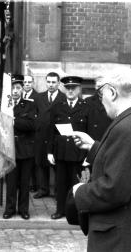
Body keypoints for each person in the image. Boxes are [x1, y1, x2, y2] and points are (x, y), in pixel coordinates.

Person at [71, 67, 131, 251]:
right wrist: (94, 147)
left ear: (112, 92)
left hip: (118, 239)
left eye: (101, 95)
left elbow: (114, 190)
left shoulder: (125, 128)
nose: (101, 101)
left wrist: (79, 192)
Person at [48, 76, 89, 220]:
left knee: (76, 184)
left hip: (78, 153)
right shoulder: (57, 106)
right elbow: (51, 130)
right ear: (64, 89)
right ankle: (60, 210)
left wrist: (88, 155)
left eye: (74, 88)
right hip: (61, 152)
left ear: (79, 89)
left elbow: (89, 131)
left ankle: (75, 212)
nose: (70, 91)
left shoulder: (85, 106)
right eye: (68, 88)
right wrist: (49, 152)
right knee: (60, 183)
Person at [3, 76, 36, 220]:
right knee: (11, 182)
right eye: (12, 88)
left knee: (24, 182)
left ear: (23, 89)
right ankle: (9, 209)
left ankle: (23, 209)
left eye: (18, 88)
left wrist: (13, 121)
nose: (15, 91)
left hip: (25, 149)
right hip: (9, 149)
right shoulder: (4, 106)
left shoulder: (29, 105)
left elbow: (31, 125)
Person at [33, 72, 65, 199]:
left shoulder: (63, 98)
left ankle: (58, 191)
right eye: (49, 82)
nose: (51, 85)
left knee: (57, 166)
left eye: (53, 82)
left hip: (56, 137)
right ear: (46, 82)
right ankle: (43, 189)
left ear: (58, 83)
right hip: (41, 136)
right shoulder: (39, 97)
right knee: (42, 164)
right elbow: (34, 114)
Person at [22, 75, 39, 192]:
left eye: (29, 82)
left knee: (32, 162)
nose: (27, 84)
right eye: (25, 82)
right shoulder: (18, 95)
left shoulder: (37, 97)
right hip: (21, 131)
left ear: (33, 83)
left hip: (32, 131)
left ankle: (34, 184)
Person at [85, 77, 111, 142]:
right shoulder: (88, 101)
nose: (100, 89)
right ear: (95, 87)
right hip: (91, 138)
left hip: (106, 137)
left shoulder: (112, 101)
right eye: (98, 86)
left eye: (102, 86)